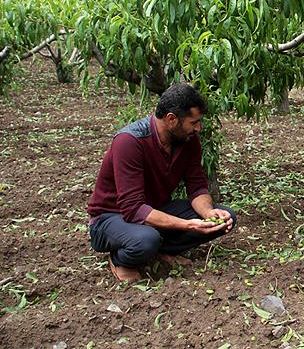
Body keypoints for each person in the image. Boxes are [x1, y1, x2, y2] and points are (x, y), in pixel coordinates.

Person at [86, 83, 236, 281]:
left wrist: (208, 213)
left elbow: (197, 186)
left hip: (155, 209)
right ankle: (121, 259)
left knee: (225, 219)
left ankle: (159, 251)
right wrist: (187, 225)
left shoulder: (188, 140)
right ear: (171, 119)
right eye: (194, 122)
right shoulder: (129, 142)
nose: (198, 128)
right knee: (146, 239)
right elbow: (132, 208)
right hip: (111, 217)